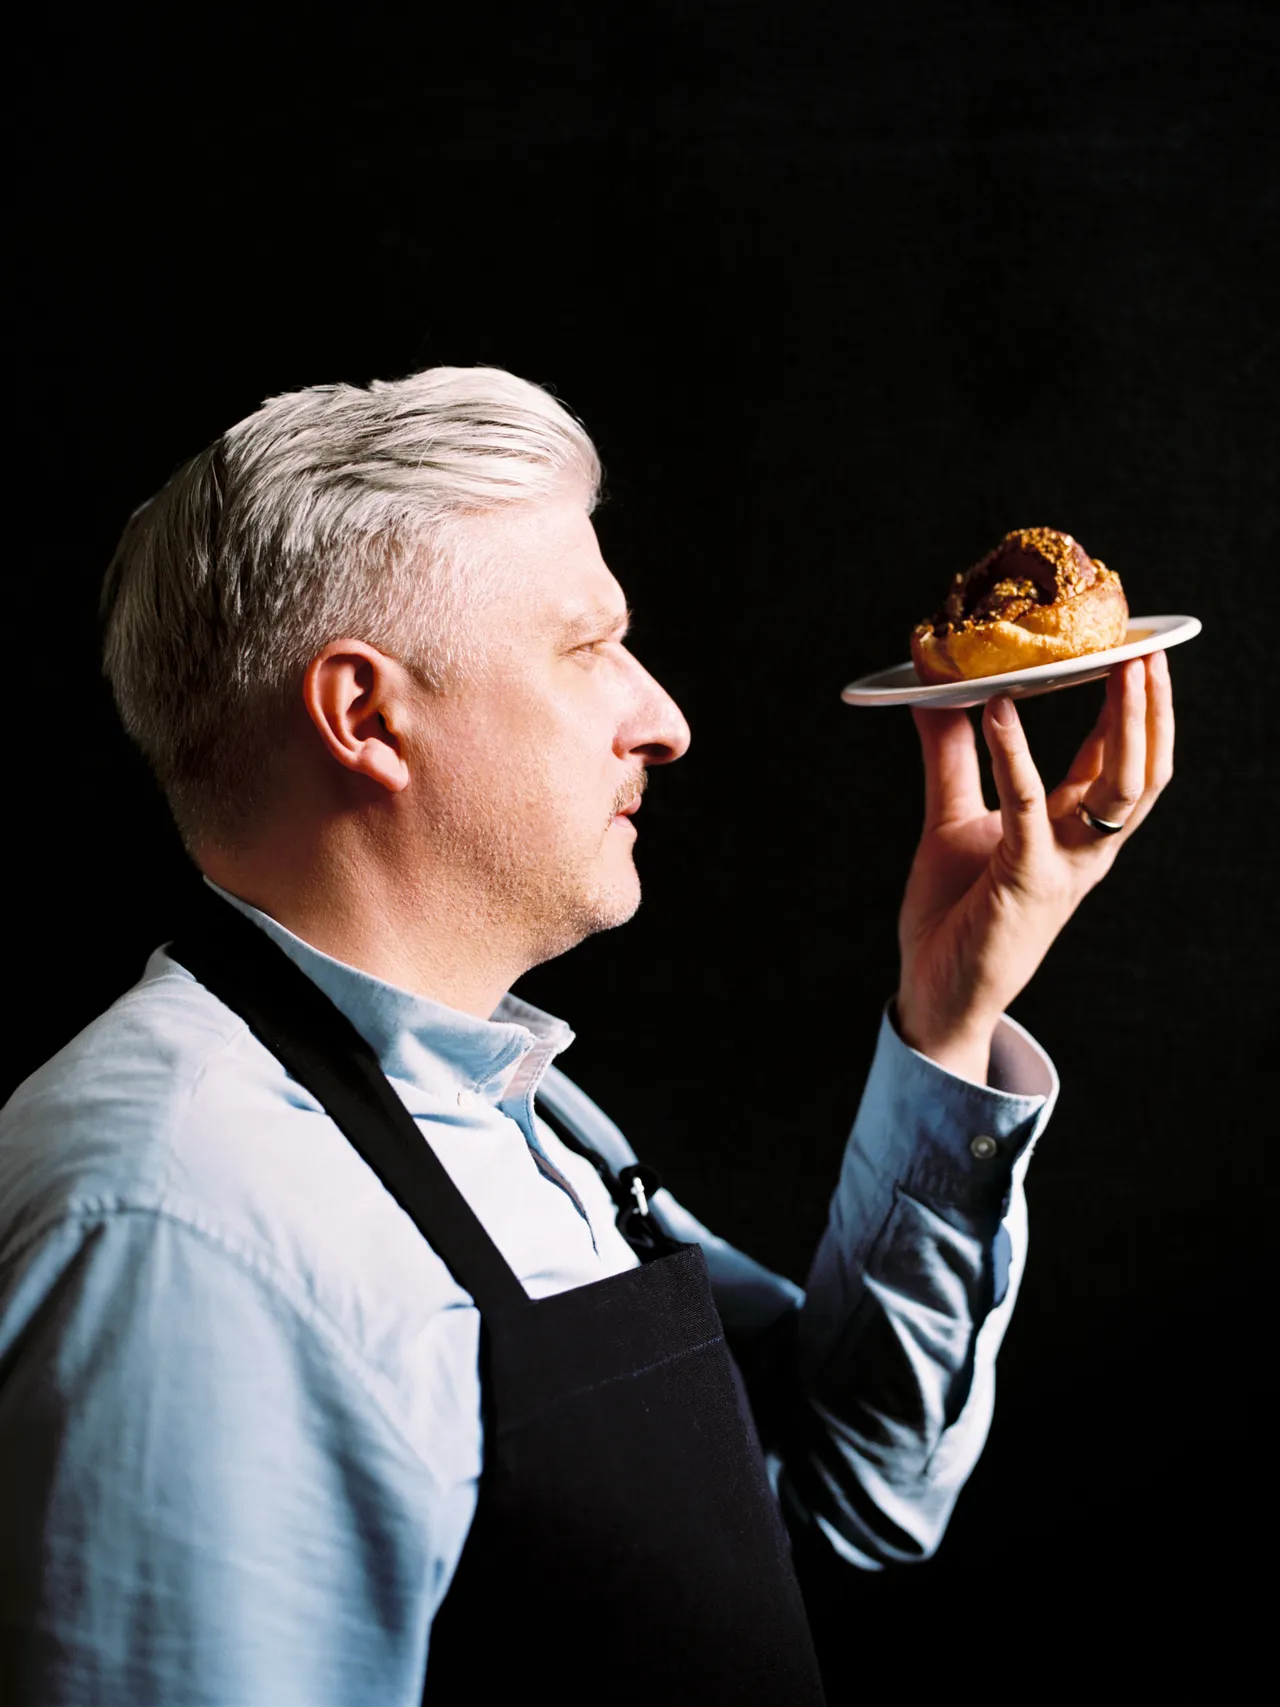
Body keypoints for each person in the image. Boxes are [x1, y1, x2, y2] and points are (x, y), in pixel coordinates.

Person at [0, 366, 1175, 1704]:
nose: (663, 721)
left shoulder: (515, 1103)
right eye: (587, 647)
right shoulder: (175, 1218)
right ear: (367, 716)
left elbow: (850, 1497)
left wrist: (949, 1015)